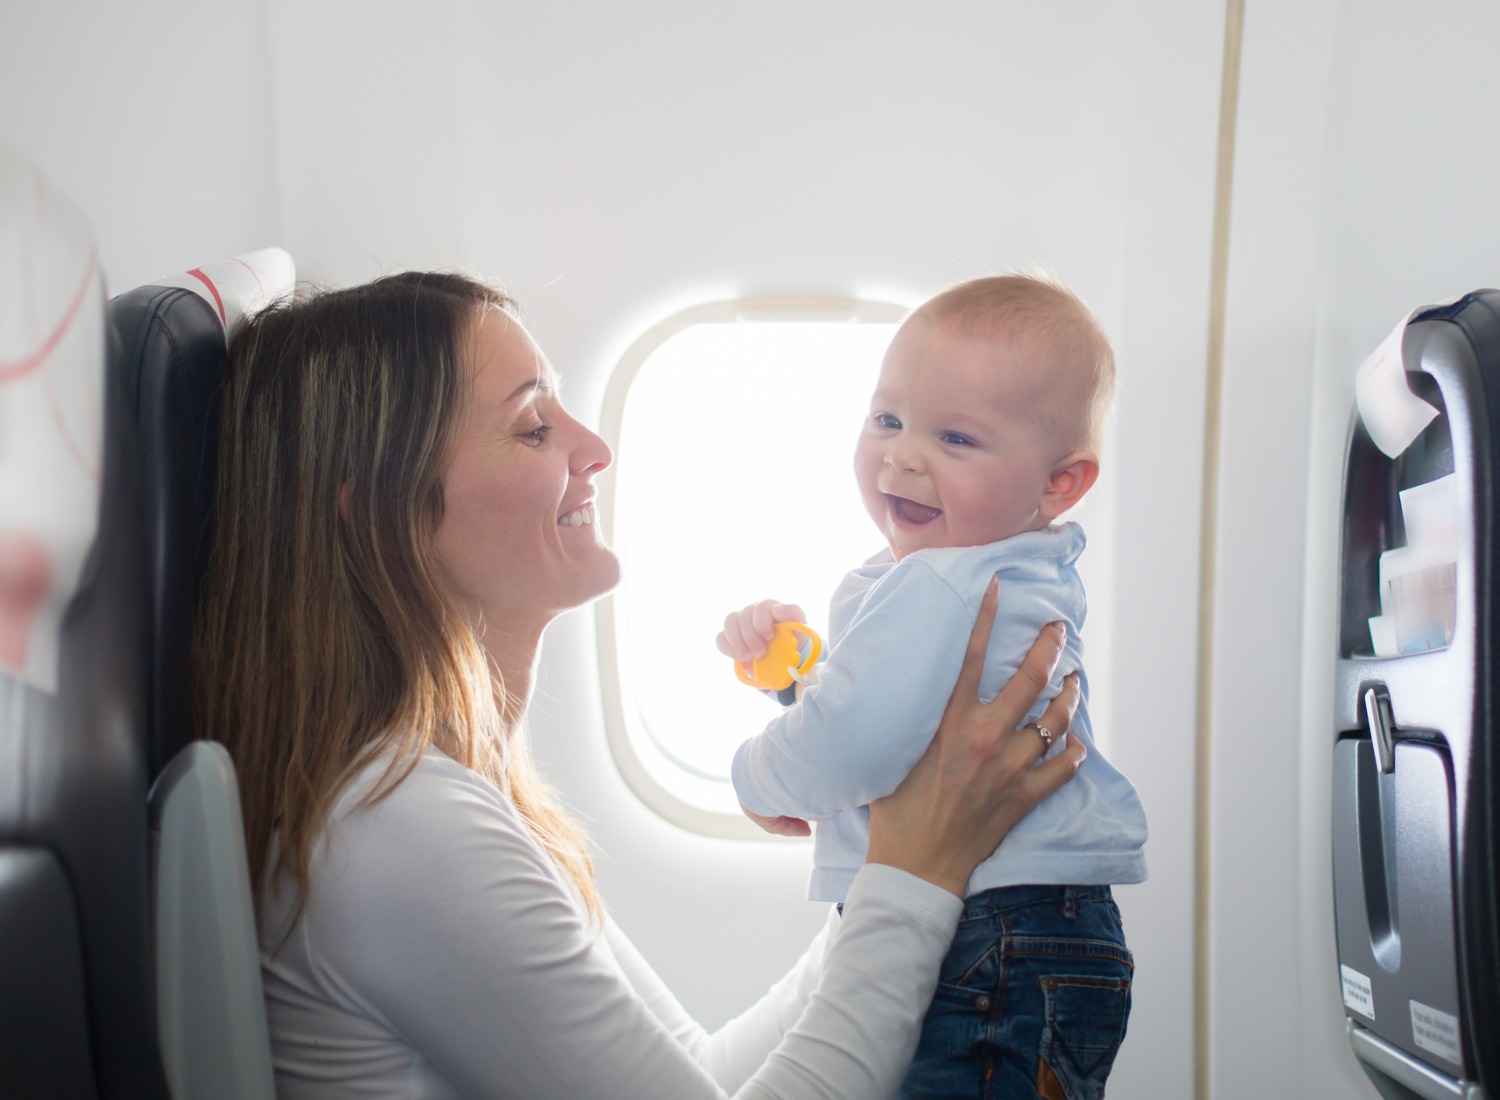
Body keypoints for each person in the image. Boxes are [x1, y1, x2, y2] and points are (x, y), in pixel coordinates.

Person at [193, 270, 1090, 1099]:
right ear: (381, 506)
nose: (592, 447)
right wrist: (915, 869)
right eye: (532, 425)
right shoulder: (397, 827)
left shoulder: (457, 794)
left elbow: (700, 1073)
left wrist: (914, 849)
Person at [718, 274, 1148, 1100]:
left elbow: (858, 741)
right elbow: (902, 717)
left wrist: (755, 775)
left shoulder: (941, 585)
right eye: (888, 419)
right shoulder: (1008, 569)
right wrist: (796, 679)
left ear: (1060, 483)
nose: (902, 454)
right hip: (1041, 933)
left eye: (955, 438)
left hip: (987, 935)